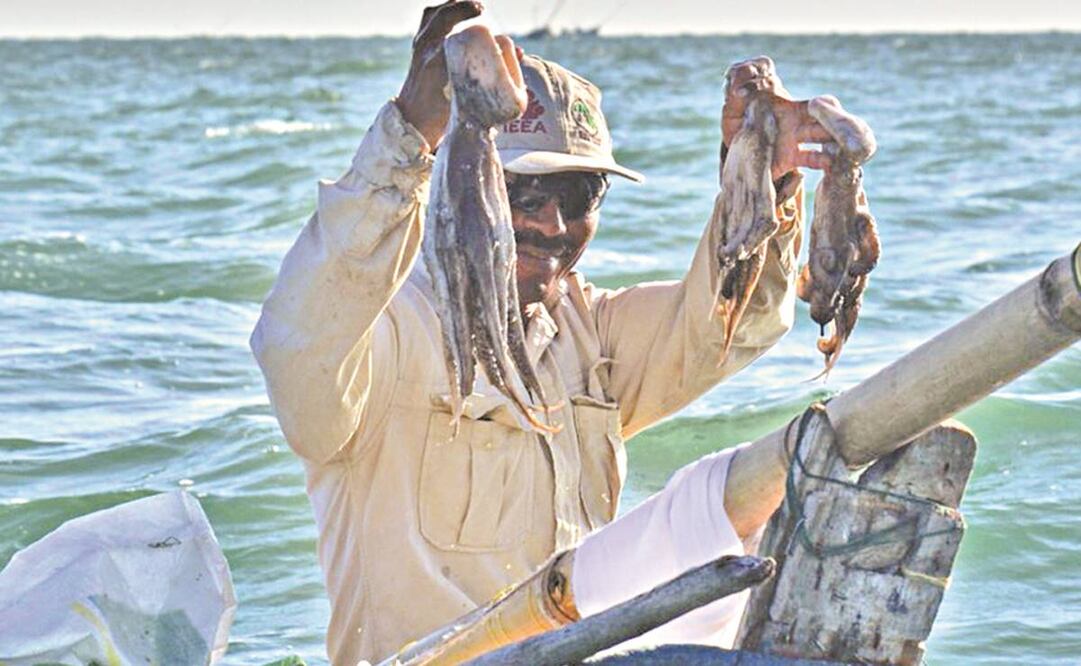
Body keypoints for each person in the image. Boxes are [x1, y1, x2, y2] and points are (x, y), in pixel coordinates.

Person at [250, 2, 835, 663]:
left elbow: (732, 325)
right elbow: (299, 346)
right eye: (523, 194)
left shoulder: (589, 333)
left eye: (580, 194)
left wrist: (761, 177)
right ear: (460, 184)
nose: (553, 225)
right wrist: (407, 134)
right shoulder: (380, 337)